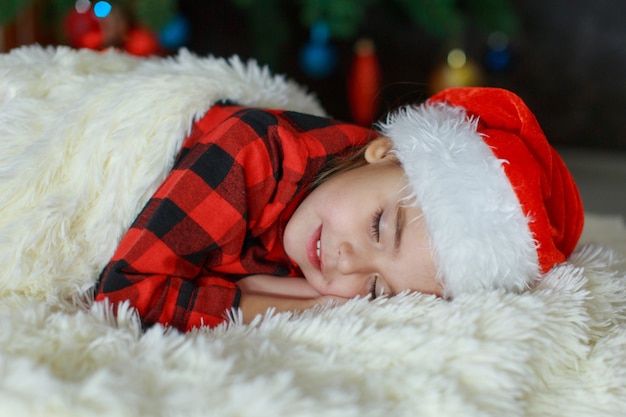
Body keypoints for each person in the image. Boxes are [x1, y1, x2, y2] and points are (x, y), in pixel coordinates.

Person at [94, 87, 584, 332]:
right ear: (384, 152)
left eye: (375, 288)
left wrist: (321, 299)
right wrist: (248, 302)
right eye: (378, 226)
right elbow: (125, 298)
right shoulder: (253, 150)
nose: (347, 262)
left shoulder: (334, 218)